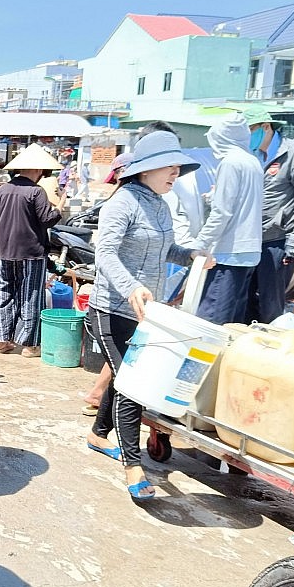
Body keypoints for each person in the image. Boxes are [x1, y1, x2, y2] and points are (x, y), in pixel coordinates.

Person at [85, 131, 212, 499]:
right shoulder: (121, 203)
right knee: (132, 384)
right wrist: (130, 287)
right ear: (145, 170)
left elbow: (166, 248)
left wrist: (191, 255)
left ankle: (98, 433)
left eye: (177, 166)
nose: (175, 171)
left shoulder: (160, 204)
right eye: (169, 165)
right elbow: (104, 254)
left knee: (124, 378)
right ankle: (132, 465)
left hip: (145, 312)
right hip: (110, 309)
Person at [0, 144, 63, 356]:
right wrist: (59, 207)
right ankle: (29, 345)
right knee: (30, 296)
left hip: (4, 251)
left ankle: (1, 341)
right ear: (38, 171)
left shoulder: (2, 190)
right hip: (31, 253)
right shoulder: (36, 191)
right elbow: (48, 219)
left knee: (3, 294)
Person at [194, 114, 264, 325]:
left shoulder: (230, 163)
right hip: (249, 251)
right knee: (233, 322)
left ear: (221, 137)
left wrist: (199, 245)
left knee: (212, 320)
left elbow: (222, 212)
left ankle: (203, 359)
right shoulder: (253, 161)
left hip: (227, 253)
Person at [243, 107, 294, 324]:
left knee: (271, 305)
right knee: (245, 303)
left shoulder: (293, 153)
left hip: (278, 241)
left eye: (249, 130)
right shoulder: (251, 155)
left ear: (265, 127)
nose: (246, 136)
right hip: (248, 240)